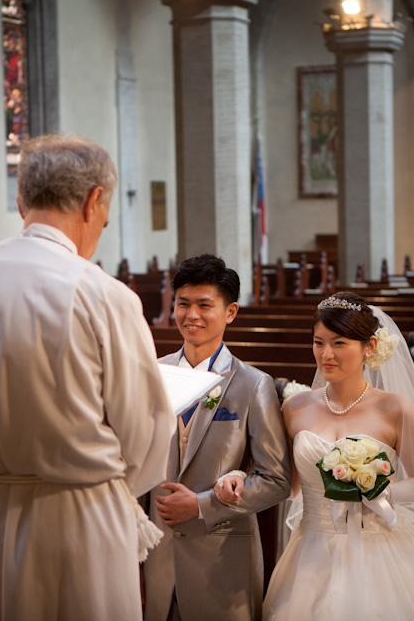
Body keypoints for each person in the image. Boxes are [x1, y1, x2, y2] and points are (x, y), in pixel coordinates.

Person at [0, 133, 174, 621]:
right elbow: (146, 432)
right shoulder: (103, 296)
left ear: (22, 203)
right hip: (79, 520)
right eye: (103, 217)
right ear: (94, 201)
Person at [244, 291, 414, 620]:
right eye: (318, 342)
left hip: (378, 548)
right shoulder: (294, 408)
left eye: (339, 343)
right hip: (312, 549)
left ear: (369, 347)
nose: (326, 354)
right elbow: (291, 486)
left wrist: (379, 490)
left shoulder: (395, 409)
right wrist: (241, 479)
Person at [144, 254, 292, 621]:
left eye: (204, 305)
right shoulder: (150, 374)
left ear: (230, 312)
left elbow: (276, 480)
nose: (191, 314)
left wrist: (201, 504)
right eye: (183, 304)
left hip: (222, 563)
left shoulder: (253, 385)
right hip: (158, 555)